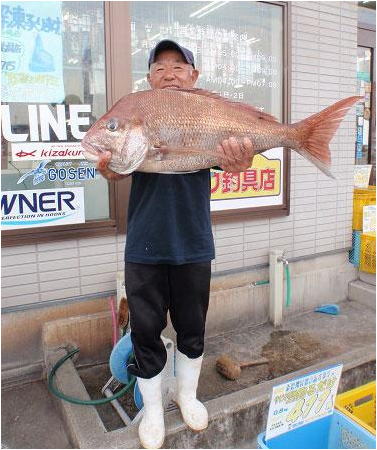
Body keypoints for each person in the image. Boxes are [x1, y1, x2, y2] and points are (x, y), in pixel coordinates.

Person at [97, 40, 254, 449]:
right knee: (146, 333)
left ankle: (187, 395)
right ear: (149, 78)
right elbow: (117, 168)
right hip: (144, 248)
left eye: (179, 66)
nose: (169, 73)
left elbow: (234, 161)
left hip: (194, 244)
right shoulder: (139, 110)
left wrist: (242, 158)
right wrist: (109, 164)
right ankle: (152, 411)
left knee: (192, 328)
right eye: (160, 67)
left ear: (194, 76)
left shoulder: (207, 112)